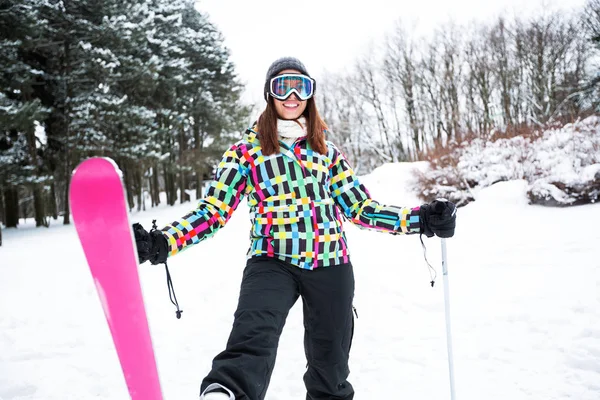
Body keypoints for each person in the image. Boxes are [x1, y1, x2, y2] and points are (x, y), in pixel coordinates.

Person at [133, 57, 457, 400]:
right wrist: (164, 240)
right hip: (272, 259)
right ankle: (226, 391)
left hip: (330, 261)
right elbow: (213, 211)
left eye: (300, 86)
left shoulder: (327, 153)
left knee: (330, 365)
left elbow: (361, 208)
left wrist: (420, 218)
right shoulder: (245, 153)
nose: (291, 95)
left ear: (310, 94)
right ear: (269, 95)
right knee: (254, 332)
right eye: (281, 86)